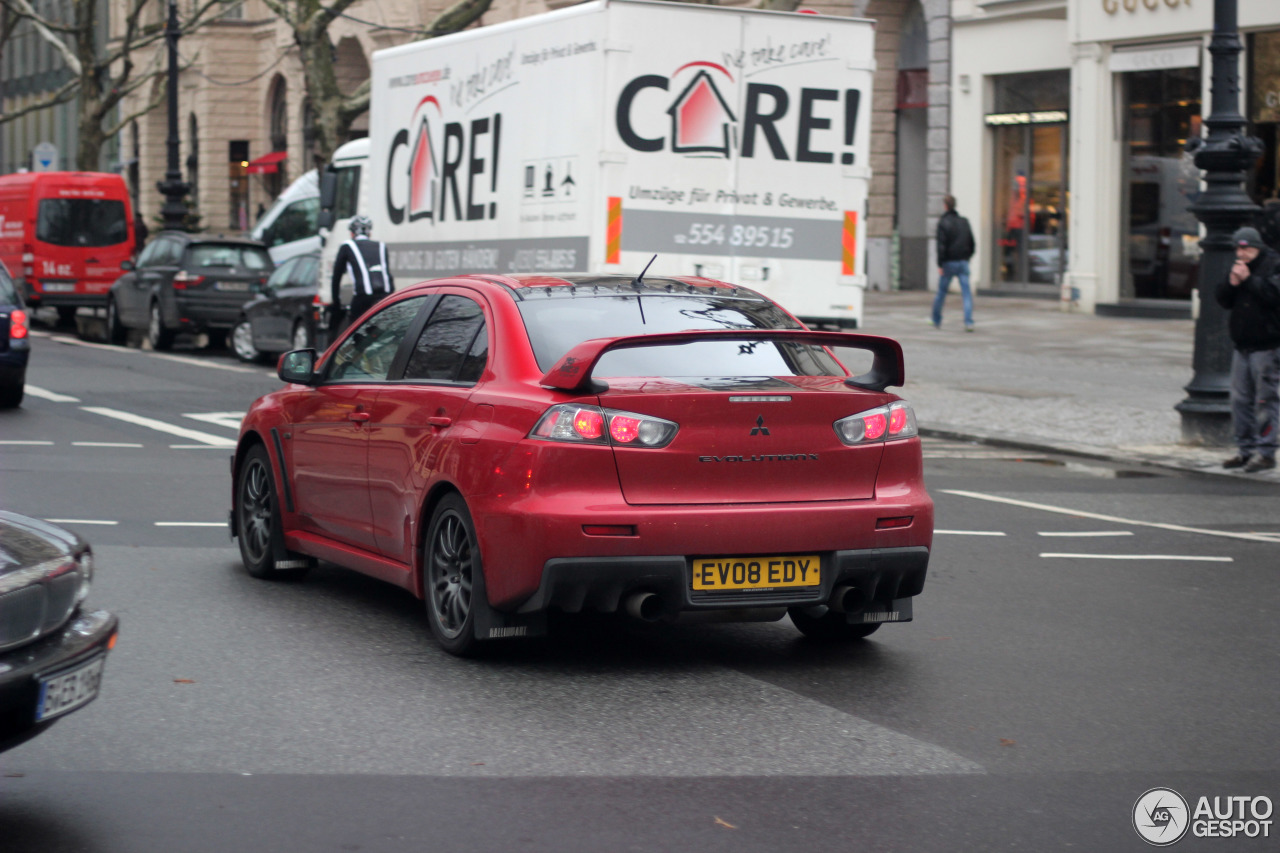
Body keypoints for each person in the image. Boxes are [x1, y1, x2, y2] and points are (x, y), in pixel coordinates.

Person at [1214, 226, 1280, 473]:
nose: (1242, 253)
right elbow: (1223, 299)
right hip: (1242, 345)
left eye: (1246, 249)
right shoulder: (1238, 267)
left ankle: (1266, 453)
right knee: (1240, 400)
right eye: (1238, 248)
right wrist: (1231, 283)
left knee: (1265, 399)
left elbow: (1274, 296)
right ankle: (1245, 450)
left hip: (1268, 345)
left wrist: (1248, 280)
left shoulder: (1273, 265)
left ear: (1257, 248)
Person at [330, 214, 394, 333]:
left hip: (362, 297)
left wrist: (336, 303)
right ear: (369, 232)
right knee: (385, 333)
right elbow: (388, 276)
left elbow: (336, 277)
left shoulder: (347, 246)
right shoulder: (381, 246)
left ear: (352, 233)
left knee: (355, 334)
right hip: (385, 296)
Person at [933, 194, 976, 331]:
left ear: (945, 206)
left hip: (949, 263)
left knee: (941, 292)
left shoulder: (943, 222)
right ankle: (968, 322)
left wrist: (940, 264)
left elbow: (941, 246)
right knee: (966, 294)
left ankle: (936, 319)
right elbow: (972, 243)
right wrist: (967, 257)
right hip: (963, 262)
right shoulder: (964, 221)